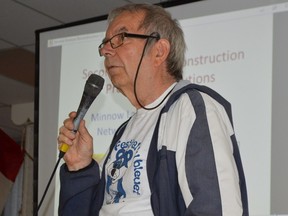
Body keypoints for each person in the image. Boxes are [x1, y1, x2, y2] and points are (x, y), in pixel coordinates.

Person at [57, 3, 249, 216]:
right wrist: (80, 168)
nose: (105, 50)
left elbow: (218, 209)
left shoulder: (191, 108)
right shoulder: (125, 131)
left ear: (159, 51)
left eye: (120, 38)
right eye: (104, 44)